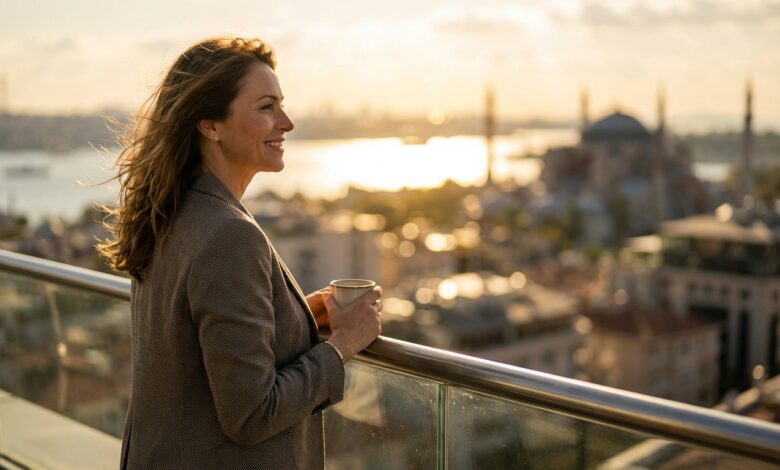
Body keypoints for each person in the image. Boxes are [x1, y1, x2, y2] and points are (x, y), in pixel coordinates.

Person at [98, 36, 383, 469]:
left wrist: (293, 317)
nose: (287, 122)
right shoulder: (229, 235)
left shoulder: (171, 212)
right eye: (267, 107)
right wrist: (342, 345)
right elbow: (251, 415)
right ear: (211, 125)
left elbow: (193, 344)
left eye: (281, 105)